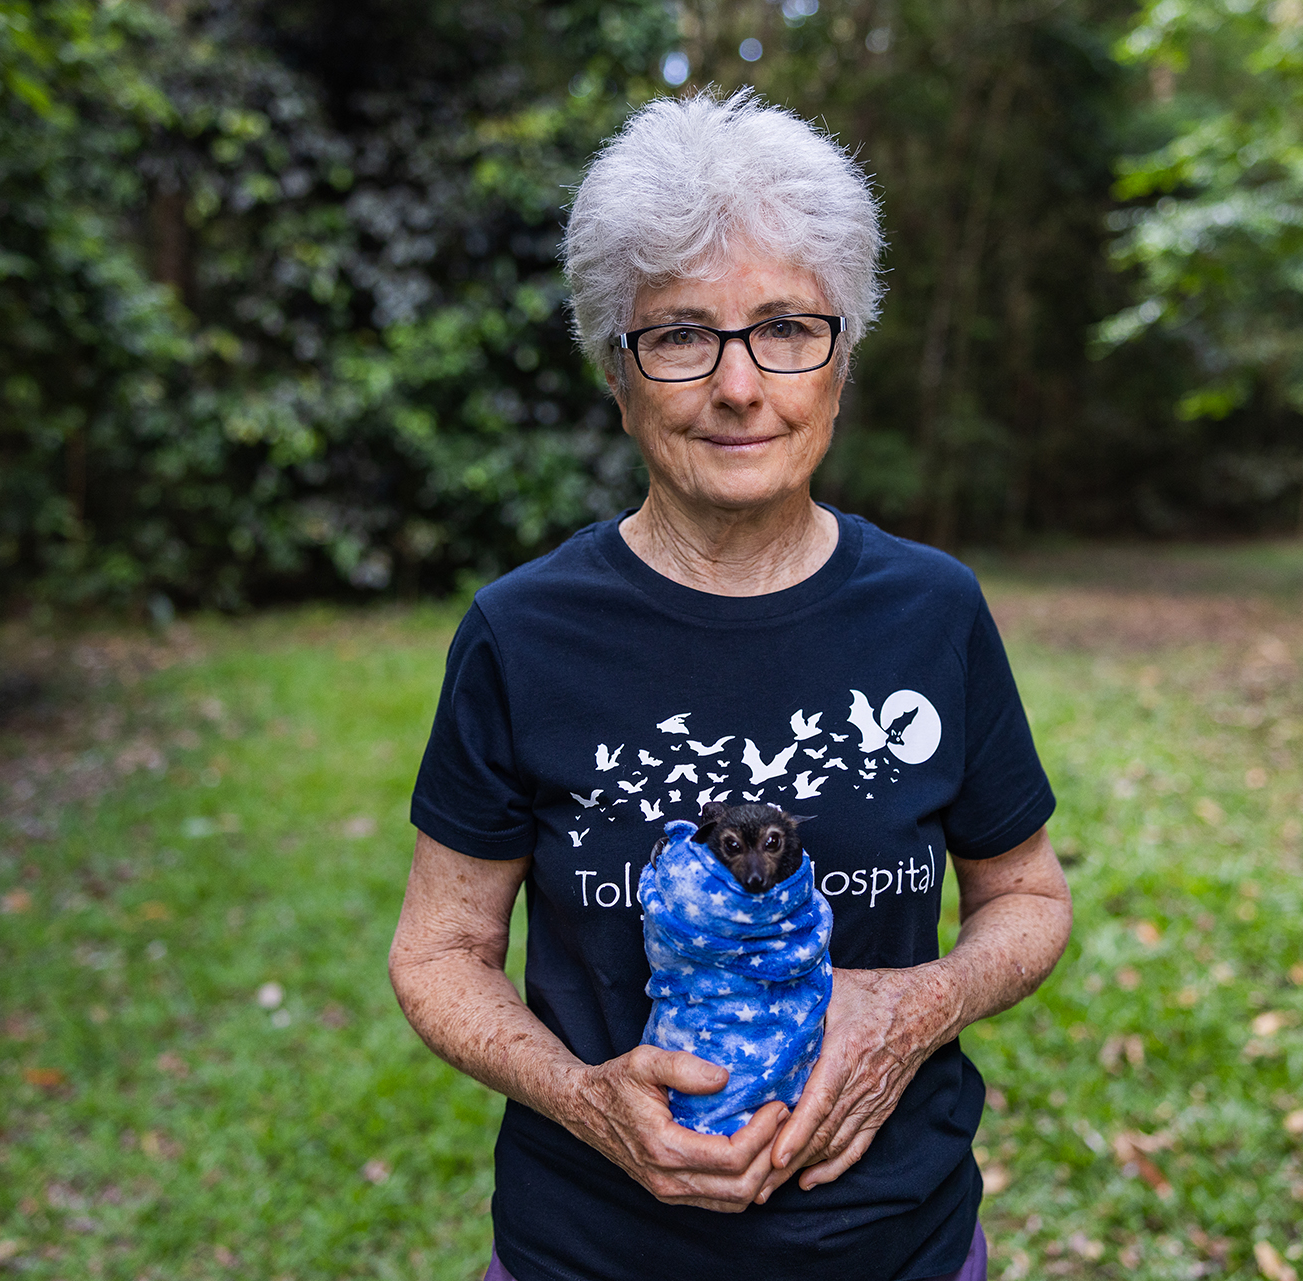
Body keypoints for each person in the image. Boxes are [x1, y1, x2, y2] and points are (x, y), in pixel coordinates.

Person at [388, 88, 1072, 1281]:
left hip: (893, 1249)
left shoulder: (934, 609)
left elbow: (1030, 899)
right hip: (590, 1252)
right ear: (619, 372)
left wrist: (917, 1006)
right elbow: (437, 950)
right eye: (682, 334)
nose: (740, 385)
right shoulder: (521, 631)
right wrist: (583, 1093)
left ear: (841, 356)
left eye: (787, 328)